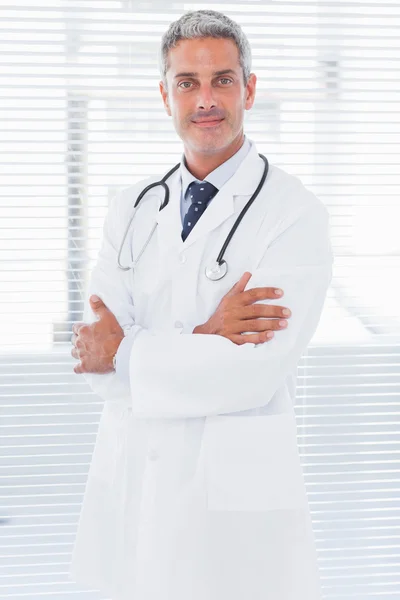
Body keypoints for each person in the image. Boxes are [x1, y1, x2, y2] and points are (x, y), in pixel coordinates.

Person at [69, 9, 333, 600]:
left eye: (222, 80)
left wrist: (133, 350)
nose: (206, 99)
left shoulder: (293, 213)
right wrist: (203, 337)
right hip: (134, 489)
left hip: (231, 512)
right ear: (165, 95)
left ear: (250, 88)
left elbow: (252, 370)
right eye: (188, 82)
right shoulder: (132, 206)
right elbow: (96, 359)